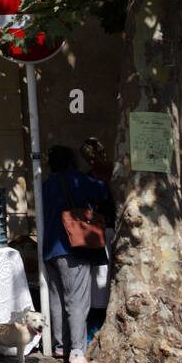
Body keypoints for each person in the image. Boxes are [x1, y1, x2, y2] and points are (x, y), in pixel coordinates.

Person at [41, 145, 114, 363]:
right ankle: (77, 355)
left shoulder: (45, 184)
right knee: (77, 301)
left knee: (57, 298)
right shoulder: (77, 179)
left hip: (51, 248)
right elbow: (103, 191)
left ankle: (61, 347)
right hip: (73, 247)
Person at [80, 137, 114, 331]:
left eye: (95, 157)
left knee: (103, 277)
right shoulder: (88, 177)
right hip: (98, 231)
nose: (92, 162)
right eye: (89, 158)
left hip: (109, 228)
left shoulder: (115, 174)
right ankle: (96, 325)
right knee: (99, 278)